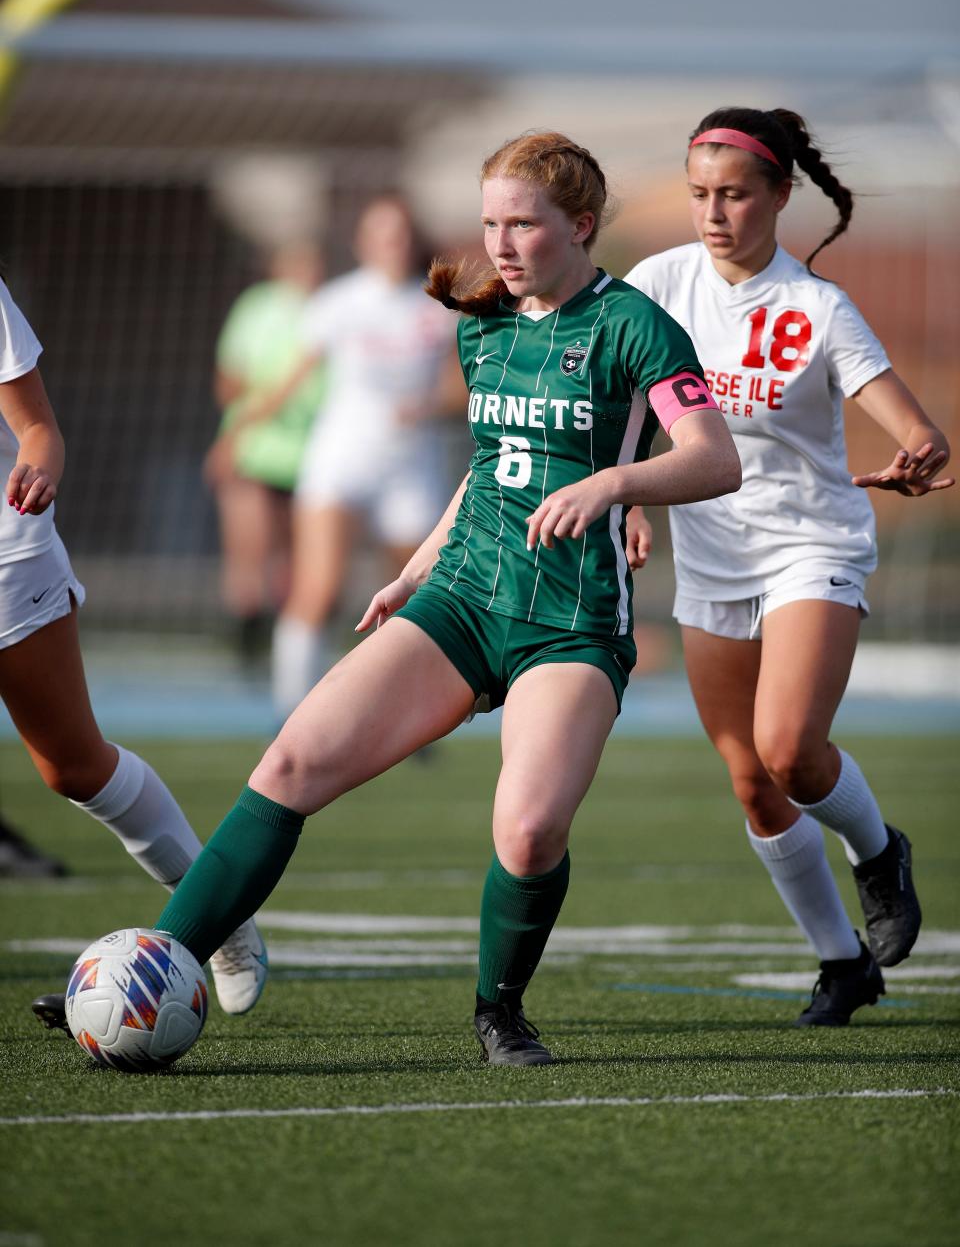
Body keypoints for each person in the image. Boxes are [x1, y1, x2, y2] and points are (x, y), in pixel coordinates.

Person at [144, 131, 741, 1066]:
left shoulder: (634, 325)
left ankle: (499, 1009)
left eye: (525, 223)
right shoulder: (482, 320)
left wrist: (611, 487)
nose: (501, 242)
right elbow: (490, 466)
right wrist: (418, 565)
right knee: (294, 760)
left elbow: (716, 457)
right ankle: (156, 967)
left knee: (531, 827)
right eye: (491, 221)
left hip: (569, 623)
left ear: (580, 225)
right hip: (461, 599)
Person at [623, 107, 953, 1026]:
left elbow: (914, 425)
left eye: (733, 194)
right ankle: (842, 962)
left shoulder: (817, 306)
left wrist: (923, 449)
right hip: (713, 555)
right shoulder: (657, 282)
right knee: (752, 782)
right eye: (699, 194)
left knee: (790, 749)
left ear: (780, 196)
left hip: (813, 544)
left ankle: (880, 851)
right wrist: (633, 500)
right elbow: (623, 403)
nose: (713, 213)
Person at [0, 274, 266, 1028]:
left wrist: (41, 467)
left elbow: (39, 430)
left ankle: (218, 918)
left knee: (73, 766)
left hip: (7, 557)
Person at [271, 194, 464, 720]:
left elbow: (463, 389)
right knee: (321, 585)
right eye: (381, 234)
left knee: (414, 592)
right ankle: (292, 708)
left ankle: (400, 706)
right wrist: (240, 434)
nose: (392, 245)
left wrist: (426, 406)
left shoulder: (437, 307)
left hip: (411, 465)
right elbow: (289, 380)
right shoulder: (338, 302)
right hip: (341, 459)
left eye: (400, 234)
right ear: (362, 242)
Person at [203, 240, 327, 666]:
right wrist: (249, 417)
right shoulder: (256, 309)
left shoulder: (328, 313)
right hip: (252, 453)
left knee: (291, 566)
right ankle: (246, 649)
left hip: (307, 458)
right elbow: (228, 380)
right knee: (247, 555)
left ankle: (282, 658)